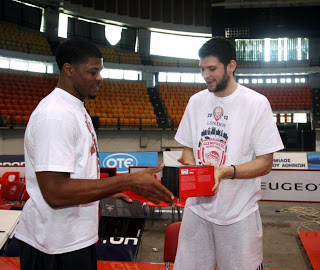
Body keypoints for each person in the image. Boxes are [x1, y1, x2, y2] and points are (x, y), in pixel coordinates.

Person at [15, 37, 174, 270]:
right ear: (68, 70)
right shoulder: (55, 115)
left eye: (100, 71)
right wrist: (126, 181)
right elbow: (55, 192)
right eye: (93, 71)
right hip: (53, 247)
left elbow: (75, 176)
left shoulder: (75, 108)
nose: (100, 78)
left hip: (74, 240)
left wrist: (111, 188)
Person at [173, 37, 284, 270]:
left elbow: (265, 163)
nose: (206, 75)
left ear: (231, 66)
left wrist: (224, 172)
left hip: (239, 214)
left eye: (212, 69)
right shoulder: (195, 101)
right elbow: (188, 146)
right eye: (202, 69)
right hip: (197, 210)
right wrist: (193, 168)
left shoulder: (256, 103)